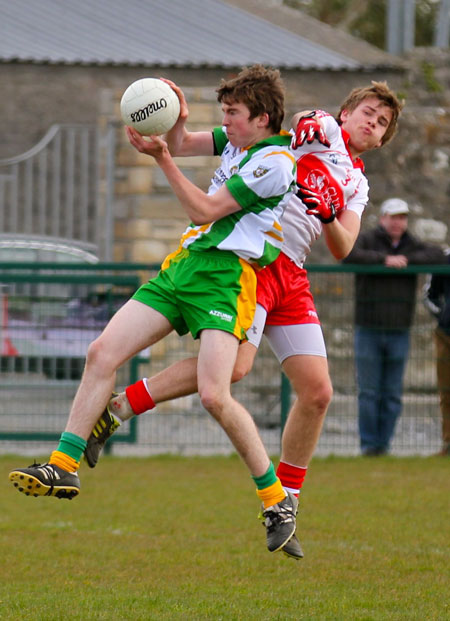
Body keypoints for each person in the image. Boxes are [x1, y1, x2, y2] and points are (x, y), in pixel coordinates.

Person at [83, 81, 404, 559]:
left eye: (380, 123)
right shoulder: (310, 130)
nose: (370, 123)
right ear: (345, 110)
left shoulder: (357, 183)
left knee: (318, 392)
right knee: (229, 375)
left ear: (380, 141)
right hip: (250, 262)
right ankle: (123, 407)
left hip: (290, 273)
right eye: (367, 112)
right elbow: (202, 143)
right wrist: (177, 126)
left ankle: (287, 499)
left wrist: (329, 211)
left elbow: (343, 246)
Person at [9, 65, 300, 555]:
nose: (225, 121)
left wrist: (161, 159)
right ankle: (63, 464)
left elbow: (205, 211)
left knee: (214, 394)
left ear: (263, 117)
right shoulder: (237, 142)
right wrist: (176, 123)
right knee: (102, 351)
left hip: (225, 280)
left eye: (232, 114)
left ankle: (276, 500)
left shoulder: (275, 162)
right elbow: (185, 143)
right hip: (184, 267)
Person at [343, 198, 445, 456]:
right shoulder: (367, 239)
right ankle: (369, 445)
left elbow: (436, 254)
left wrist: (405, 260)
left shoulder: (412, 244)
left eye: (402, 217)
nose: (398, 222)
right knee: (368, 392)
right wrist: (384, 260)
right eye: (394, 217)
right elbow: (348, 253)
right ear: (383, 218)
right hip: (368, 327)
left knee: (391, 393)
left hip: (400, 328)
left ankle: (384, 444)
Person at [423, 248, 450, 456]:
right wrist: (444, 317)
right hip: (446, 334)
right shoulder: (444, 258)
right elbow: (430, 295)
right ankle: (448, 444)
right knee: (447, 391)